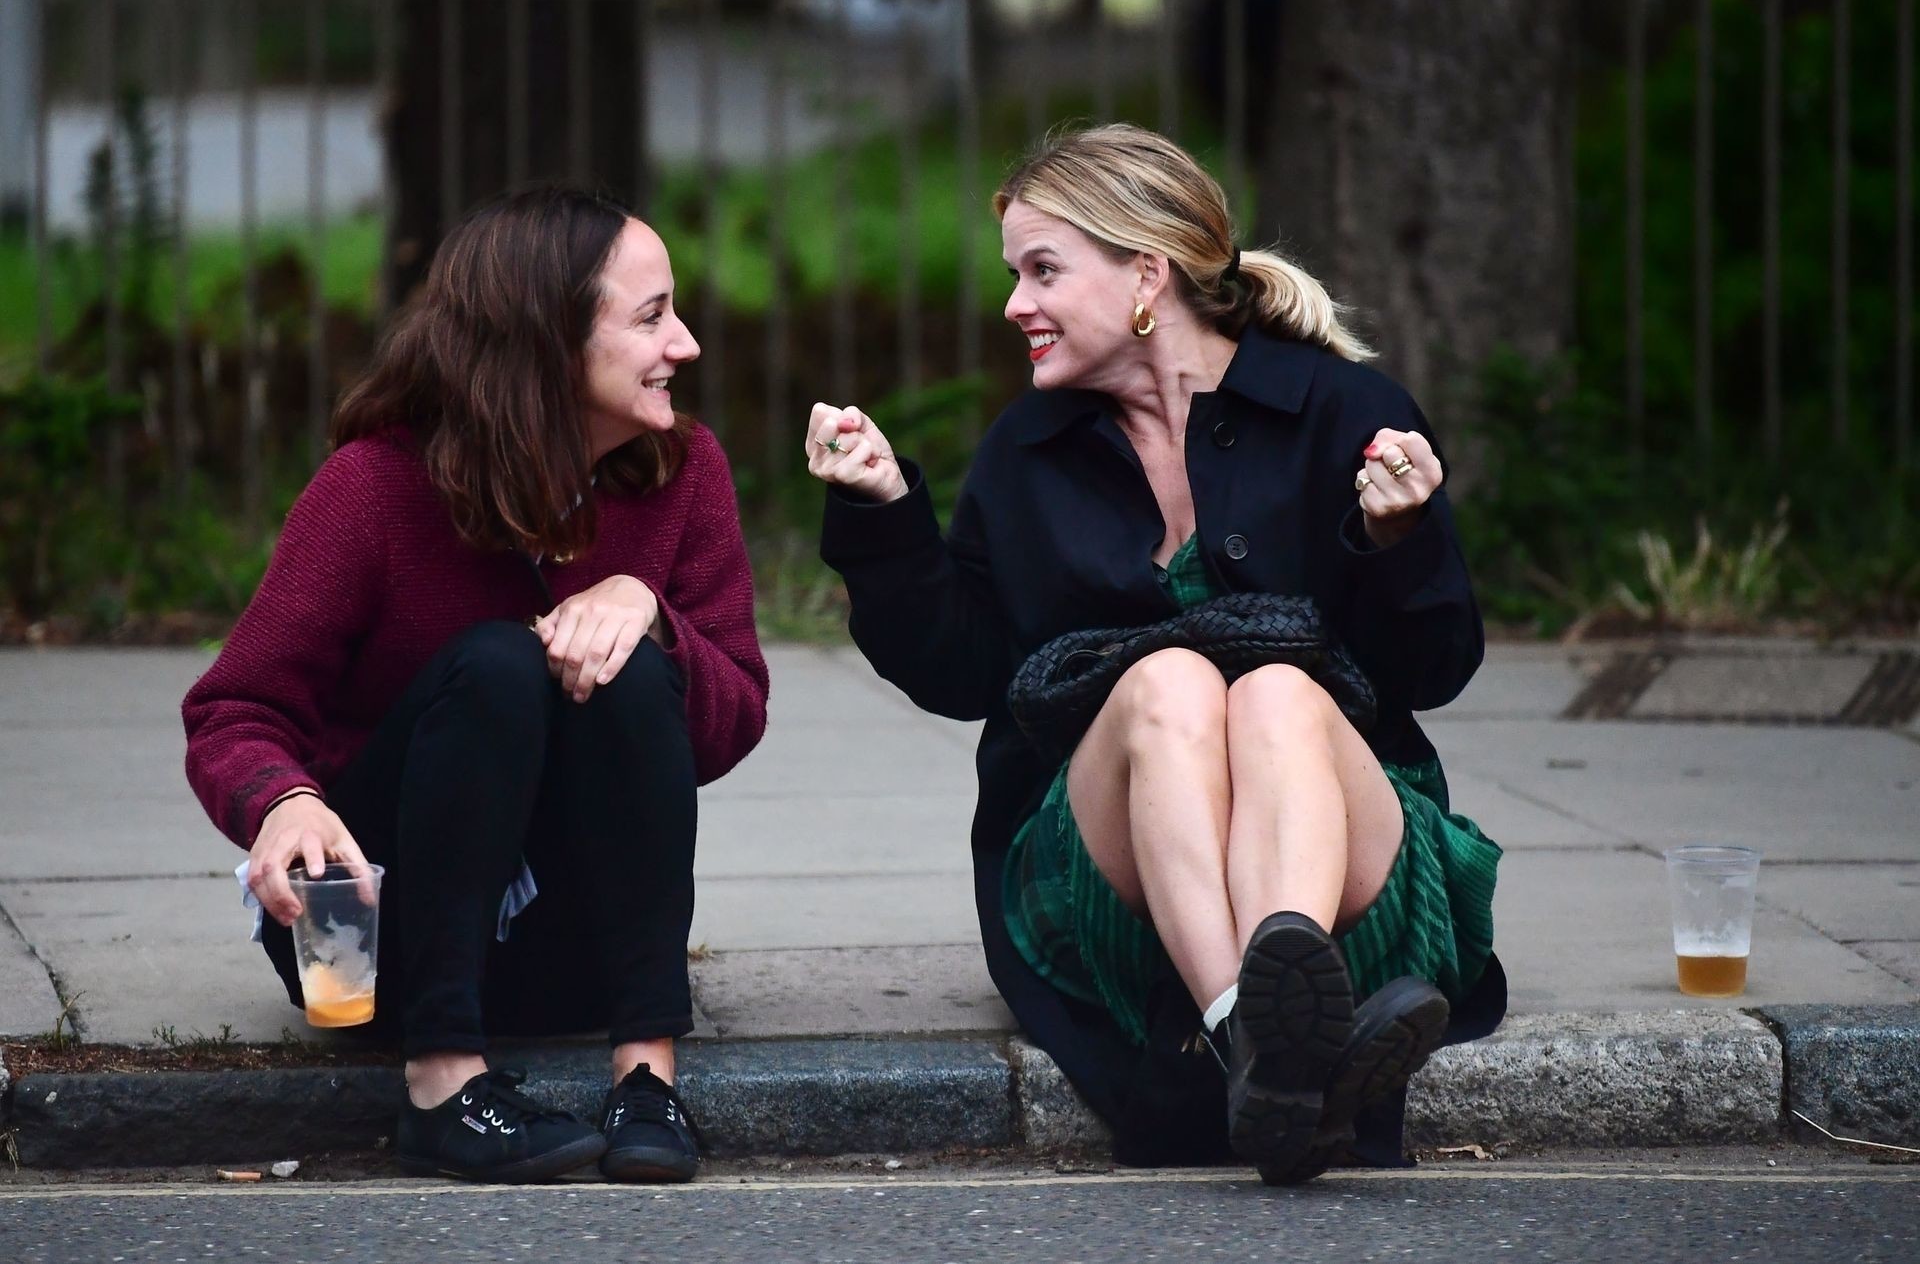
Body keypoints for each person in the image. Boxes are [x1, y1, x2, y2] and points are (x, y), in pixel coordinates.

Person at [808, 124, 1504, 1183]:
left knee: (1276, 690)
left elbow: (1432, 671)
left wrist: (1398, 540)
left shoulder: (1345, 415)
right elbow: (962, 671)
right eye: (1014, 275)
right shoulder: (1029, 452)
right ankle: (1264, 1040)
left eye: (1044, 271)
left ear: (1147, 273)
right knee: (1168, 681)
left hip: (1341, 849)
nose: (1015, 305)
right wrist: (885, 511)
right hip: (1115, 873)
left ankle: (1266, 1043)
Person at [182, 186, 769, 1184]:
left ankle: (647, 1077)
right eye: (651, 316)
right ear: (549, 343)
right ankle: (442, 1084)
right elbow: (235, 709)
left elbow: (732, 717)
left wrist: (648, 611)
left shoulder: (683, 472)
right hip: (372, 957)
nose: (686, 343)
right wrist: (282, 801)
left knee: (627, 656)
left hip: (571, 958)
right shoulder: (373, 488)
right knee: (499, 663)